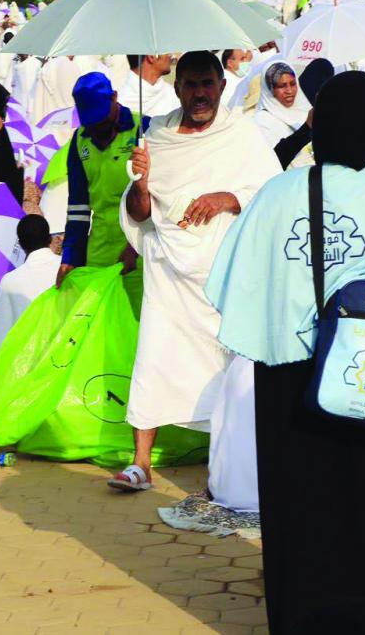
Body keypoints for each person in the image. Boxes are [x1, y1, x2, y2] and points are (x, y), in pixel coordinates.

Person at [206, 71, 365, 635]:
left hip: (296, 376)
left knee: (306, 501)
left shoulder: (280, 193)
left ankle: (306, 613)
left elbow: (233, 283)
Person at [111, 51, 280, 492]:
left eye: (207, 83)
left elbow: (272, 193)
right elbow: (139, 214)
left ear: (222, 86)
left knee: (226, 370)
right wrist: (141, 183)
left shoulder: (242, 134)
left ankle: (226, 468)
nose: (200, 93)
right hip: (168, 270)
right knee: (154, 357)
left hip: (224, 274)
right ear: (177, 87)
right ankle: (140, 464)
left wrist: (227, 198)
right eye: (191, 84)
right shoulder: (157, 137)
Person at [57, 72, 144, 314]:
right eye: (90, 123)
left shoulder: (142, 129)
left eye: (101, 120)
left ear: (114, 98)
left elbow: (159, 197)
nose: (96, 129)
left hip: (138, 251)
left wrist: (136, 245)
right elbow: (78, 207)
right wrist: (71, 256)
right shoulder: (79, 141)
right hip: (99, 252)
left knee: (135, 324)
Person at [0, 215, 60, 365]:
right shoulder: (68, 272)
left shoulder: (10, 280)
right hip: (64, 357)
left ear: (21, 244)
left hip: (25, 363)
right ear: (50, 239)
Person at [253, 61, 313, 169]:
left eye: (293, 84)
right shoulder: (262, 121)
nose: (289, 91)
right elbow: (273, 161)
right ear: (270, 89)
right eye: (281, 86)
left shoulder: (306, 111)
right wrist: (306, 128)